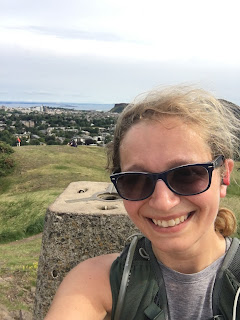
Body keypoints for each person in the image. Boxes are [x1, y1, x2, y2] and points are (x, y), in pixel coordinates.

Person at [45, 85, 240, 320]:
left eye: (187, 174)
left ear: (224, 176)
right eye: (135, 180)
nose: (163, 202)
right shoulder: (95, 282)